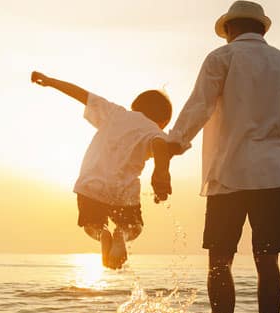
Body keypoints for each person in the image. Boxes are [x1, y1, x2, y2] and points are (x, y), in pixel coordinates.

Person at [158, 0, 280, 313]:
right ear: (262, 28)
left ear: (230, 29)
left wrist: (173, 146)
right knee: (268, 261)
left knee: (219, 262)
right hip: (274, 174)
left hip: (228, 174)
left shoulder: (222, 58)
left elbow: (198, 106)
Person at [30, 71, 177, 269]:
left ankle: (103, 234)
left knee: (91, 226)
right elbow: (159, 144)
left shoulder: (114, 112)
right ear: (163, 122)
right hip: (123, 192)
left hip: (90, 187)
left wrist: (50, 81)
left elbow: (82, 94)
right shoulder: (154, 131)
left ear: (135, 106)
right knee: (134, 227)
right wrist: (161, 173)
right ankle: (120, 234)